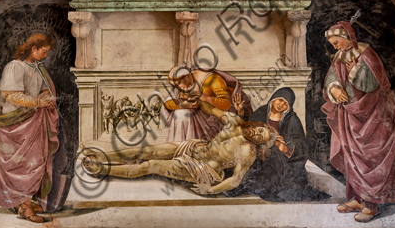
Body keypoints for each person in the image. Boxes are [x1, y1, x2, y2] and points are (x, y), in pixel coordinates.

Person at [82, 101, 277, 195]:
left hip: (204, 168)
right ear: (258, 125)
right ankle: (102, 155)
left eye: (261, 138)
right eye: (260, 130)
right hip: (196, 147)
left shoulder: (247, 151)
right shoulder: (235, 122)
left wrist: (210, 190)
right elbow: (213, 110)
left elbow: (236, 179)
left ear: (260, 143)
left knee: (150, 165)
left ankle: (103, 169)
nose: (257, 135)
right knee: (148, 150)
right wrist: (198, 102)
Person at [322, 21, 395, 222]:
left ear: (346, 36)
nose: (335, 46)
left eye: (336, 42)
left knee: (370, 158)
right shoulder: (339, 57)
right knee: (353, 158)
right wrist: (334, 89)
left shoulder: (366, 54)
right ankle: (358, 199)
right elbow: (330, 79)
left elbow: (373, 84)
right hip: (350, 116)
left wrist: (354, 71)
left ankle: (371, 205)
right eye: (332, 44)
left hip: (374, 115)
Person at [0, 33, 59, 223]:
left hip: (34, 121)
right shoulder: (15, 66)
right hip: (15, 122)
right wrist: (38, 102)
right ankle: (25, 208)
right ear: (33, 48)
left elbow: (45, 91)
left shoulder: (38, 69)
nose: (45, 55)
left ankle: (25, 201)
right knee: (23, 165)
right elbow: (10, 95)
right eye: (43, 51)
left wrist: (47, 99)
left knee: (36, 162)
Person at [223, 87, 308, 201]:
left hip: (279, 159)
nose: (280, 105)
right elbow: (248, 128)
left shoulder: (292, 120)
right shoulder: (262, 112)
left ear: (288, 107)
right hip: (259, 153)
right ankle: (236, 184)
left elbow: (300, 143)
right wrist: (240, 112)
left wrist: (284, 148)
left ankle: (247, 187)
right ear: (273, 99)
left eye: (285, 103)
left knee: (271, 161)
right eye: (280, 100)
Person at [163, 65, 252, 142]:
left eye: (178, 84)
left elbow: (226, 104)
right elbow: (168, 103)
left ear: (186, 77)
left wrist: (207, 98)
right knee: (181, 113)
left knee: (185, 114)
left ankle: (191, 150)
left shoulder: (212, 79)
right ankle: (180, 149)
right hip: (197, 118)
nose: (178, 87)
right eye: (175, 85)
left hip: (214, 121)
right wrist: (184, 105)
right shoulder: (183, 85)